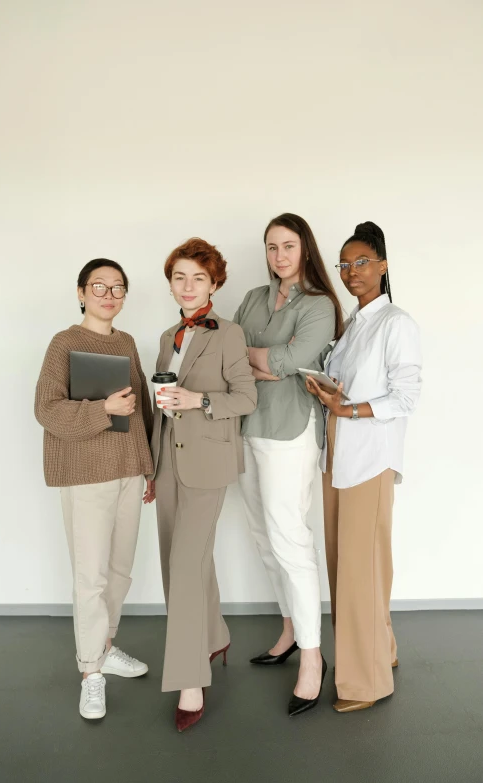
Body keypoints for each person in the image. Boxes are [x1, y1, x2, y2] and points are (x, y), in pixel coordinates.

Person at [305, 221, 422, 713]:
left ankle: (365, 683)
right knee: (355, 565)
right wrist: (328, 390)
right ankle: (383, 650)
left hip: (369, 459)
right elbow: (348, 385)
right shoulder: (355, 323)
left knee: (360, 570)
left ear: (382, 265)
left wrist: (348, 409)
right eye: (345, 264)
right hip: (339, 455)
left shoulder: (396, 322)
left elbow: (407, 395)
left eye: (362, 263)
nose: (352, 272)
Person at [233, 213, 344, 716]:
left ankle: (313, 658)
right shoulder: (255, 298)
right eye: (272, 247)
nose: (280, 256)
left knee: (290, 538)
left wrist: (271, 364)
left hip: (291, 431)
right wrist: (271, 363)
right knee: (263, 537)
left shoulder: (320, 304)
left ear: (305, 249)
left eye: (289, 246)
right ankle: (291, 630)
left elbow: (293, 362)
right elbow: (230, 356)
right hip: (248, 426)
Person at [34, 258, 155, 721]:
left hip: (128, 472)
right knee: (92, 578)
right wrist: (102, 408)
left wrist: (148, 468)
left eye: (117, 287)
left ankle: (104, 649)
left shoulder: (126, 343)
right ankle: (91, 675)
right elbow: (46, 408)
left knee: (120, 571)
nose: (109, 293)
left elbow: (141, 407)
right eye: (99, 286)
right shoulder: (64, 343)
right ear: (82, 292)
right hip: (86, 475)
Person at [150, 238, 257, 732]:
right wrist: (150, 468)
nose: (188, 286)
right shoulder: (167, 335)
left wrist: (199, 402)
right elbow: (160, 407)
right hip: (169, 462)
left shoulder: (229, 334)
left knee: (186, 564)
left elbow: (245, 397)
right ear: (171, 282)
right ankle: (214, 636)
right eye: (180, 277)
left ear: (214, 284)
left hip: (208, 463)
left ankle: (191, 679)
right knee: (182, 561)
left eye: (198, 278)